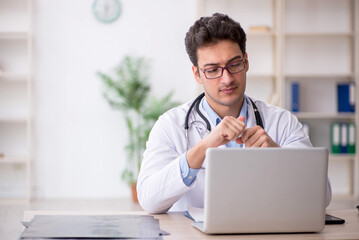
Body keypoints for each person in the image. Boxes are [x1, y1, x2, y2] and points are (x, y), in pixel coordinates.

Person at [137, 13, 331, 214]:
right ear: (197, 74)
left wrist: (278, 156)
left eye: (234, 64)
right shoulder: (170, 125)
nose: (227, 79)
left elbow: (322, 196)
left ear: (246, 62)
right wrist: (203, 148)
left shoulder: (281, 121)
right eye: (212, 70)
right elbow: (149, 200)